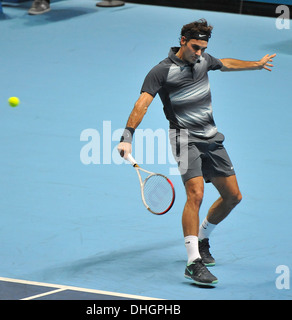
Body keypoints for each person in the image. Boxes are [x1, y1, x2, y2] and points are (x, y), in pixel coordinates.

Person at [117, 19, 276, 286]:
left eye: (203, 48)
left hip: (211, 138)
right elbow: (142, 104)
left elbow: (225, 63)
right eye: (195, 47)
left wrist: (256, 64)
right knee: (196, 193)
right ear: (182, 41)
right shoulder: (160, 71)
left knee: (233, 196)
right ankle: (193, 263)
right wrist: (127, 137)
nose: (199, 53)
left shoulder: (203, 60)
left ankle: (202, 239)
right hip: (183, 138)